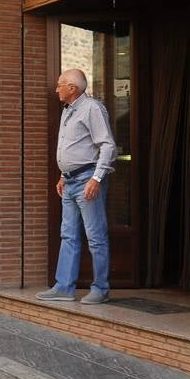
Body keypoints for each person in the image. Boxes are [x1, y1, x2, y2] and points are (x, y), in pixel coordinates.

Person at [37, 68, 115, 305]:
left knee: (95, 236)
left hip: (87, 179)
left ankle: (100, 288)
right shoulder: (68, 110)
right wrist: (63, 174)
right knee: (68, 234)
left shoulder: (92, 108)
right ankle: (64, 287)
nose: (56, 88)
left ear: (72, 88)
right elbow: (73, 146)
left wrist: (96, 179)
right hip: (70, 181)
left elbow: (107, 145)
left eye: (60, 84)